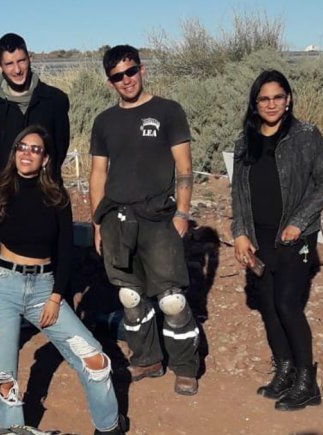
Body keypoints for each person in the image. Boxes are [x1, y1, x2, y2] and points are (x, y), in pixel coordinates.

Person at [0, 125, 126, 434]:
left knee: (94, 358)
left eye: (35, 149)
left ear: (45, 159)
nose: (26, 153)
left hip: (45, 289)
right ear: (14, 153)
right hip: (3, 287)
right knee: (5, 379)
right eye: (22, 147)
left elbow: (64, 253)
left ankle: (110, 426)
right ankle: (14, 430)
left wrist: (57, 296)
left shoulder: (57, 198)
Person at [88, 45, 199, 395]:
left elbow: (184, 166)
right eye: (118, 76)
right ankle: (147, 358)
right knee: (131, 297)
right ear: (110, 82)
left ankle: (185, 366)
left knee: (171, 299)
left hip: (159, 218)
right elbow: (97, 172)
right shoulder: (103, 121)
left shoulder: (168, 111)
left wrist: (182, 212)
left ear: (141, 69)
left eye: (131, 71)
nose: (126, 80)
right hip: (117, 220)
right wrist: (96, 222)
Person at [231, 70, 323, 411]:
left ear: (288, 99)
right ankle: (285, 370)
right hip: (258, 237)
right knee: (269, 308)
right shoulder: (246, 140)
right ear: (255, 103)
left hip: (294, 237)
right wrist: (240, 233)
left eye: (278, 97)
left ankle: (307, 381)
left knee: (288, 304)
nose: (271, 104)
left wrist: (298, 222)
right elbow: (239, 193)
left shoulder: (306, 135)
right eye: (264, 98)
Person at [0, 33, 70, 183]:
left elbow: (59, 150)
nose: (17, 70)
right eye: (9, 64)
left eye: (21, 61)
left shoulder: (56, 100)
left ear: (30, 59)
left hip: (47, 193)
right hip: (5, 194)